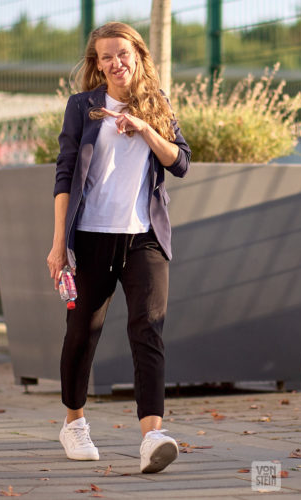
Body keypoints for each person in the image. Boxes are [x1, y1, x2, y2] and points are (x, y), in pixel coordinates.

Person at [46, 21, 190, 474]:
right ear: (97, 64)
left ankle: (152, 435)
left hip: (144, 234)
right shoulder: (82, 107)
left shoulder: (158, 103)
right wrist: (57, 246)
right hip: (90, 235)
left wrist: (146, 128)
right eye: (106, 56)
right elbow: (65, 175)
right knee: (82, 332)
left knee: (148, 329)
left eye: (123, 54)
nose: (116, 63)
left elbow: (180, 161)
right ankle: (74, 421)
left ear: (138, 56)